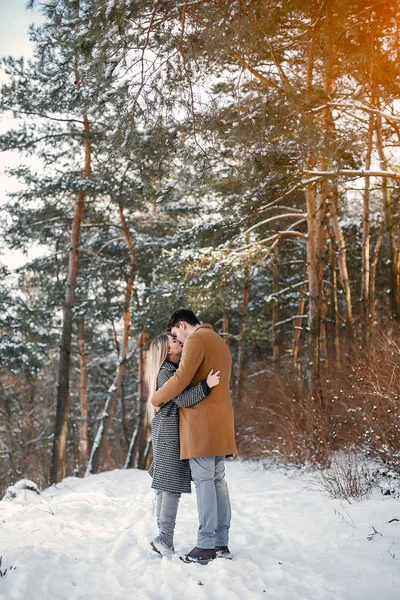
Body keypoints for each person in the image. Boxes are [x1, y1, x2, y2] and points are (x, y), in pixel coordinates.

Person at [151, 309, 238, 565]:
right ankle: (221, 542)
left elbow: (181, 380)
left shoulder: (196, 339)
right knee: (218, 481)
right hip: (220, 420)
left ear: (182, 325)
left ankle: (206, 544)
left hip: (202, 424)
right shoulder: (218, 340)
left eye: (176, 335)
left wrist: (156, 398)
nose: (178, 340)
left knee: (205, 482)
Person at [146, 332, 221, 557]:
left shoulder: (168, 370)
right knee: (170, 484)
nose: (179, 341)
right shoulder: (168, 371)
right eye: (174, 341)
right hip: (169, 431)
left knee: (164, 483)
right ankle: (164, 539)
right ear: (167, 351)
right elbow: (183, 398)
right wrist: (206, 385)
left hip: (164, 429)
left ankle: (163, 537)